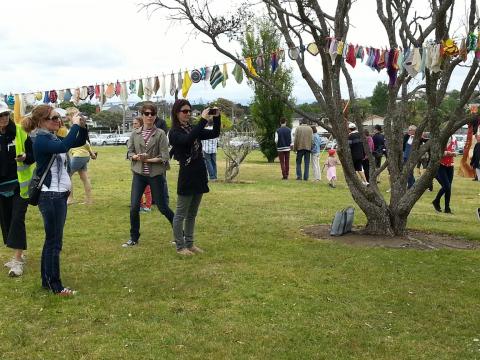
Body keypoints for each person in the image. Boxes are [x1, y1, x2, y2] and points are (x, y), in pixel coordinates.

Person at [22, 104, 88, 296]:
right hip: (50, 195)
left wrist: (82, 126)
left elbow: (77, 142)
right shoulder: (41, 139)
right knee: (54, 242)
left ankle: (46, 280)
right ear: (42, 121)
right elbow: (63, 146)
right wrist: (73, 125)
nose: (58, 121)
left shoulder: (50, 136)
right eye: (53, 118)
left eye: (58, 117)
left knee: (51, 240)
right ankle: (56, 286)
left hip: (58, 195)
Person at [168, 99, 220, 255]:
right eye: (184, 111)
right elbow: (187, 140)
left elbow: (214, 133)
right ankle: (180, 246)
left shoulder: (192, 128)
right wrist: (203, 120)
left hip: (199, 173)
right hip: (187, 175)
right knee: (181, 213)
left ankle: (190, 244)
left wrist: (216, 118)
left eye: (189, 111)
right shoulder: (174, 132)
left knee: (192, 214)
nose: (188, 114)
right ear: (176, 113)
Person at [124, 105, 174, 247]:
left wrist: (148, 159)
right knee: (134, 207)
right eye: (147, 113)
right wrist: (136, 157)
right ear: (142, 115)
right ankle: (134, 238)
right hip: (139, 174)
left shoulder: (160, 134)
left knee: (163, 207)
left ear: (155, 116)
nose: (150, 116)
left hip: (155, 175)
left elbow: (165, 157)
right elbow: (129, 153)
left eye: (153, 114)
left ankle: (179, 233)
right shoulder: (135, 134)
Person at [0, 101, 34, 277]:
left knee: (16, 220)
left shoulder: (20, 131)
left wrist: (26, 156)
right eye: (0, 115)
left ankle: (18, 260)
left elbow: (33, 154)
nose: (3, 118)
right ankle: (16, 254)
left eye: (5, 114)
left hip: (20, 186)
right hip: (1, 187)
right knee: (5, 221)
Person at [67, 110, 97, 205]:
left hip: (78, 156)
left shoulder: (75, 128)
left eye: (68, 115)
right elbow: (86, 142)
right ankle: (89, 200)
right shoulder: (80, 128)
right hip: (84, 156)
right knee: (84, 178)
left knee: (67, 176)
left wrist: (92, 154)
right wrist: (91, 154)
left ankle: (70, 199)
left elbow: (85, 142)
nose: (67, 117)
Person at [131, 116, 152, 212]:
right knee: (137, 189)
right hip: (136, 165)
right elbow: (130, 150)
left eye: (135, 123)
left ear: (140, 124)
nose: (134, 125)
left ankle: (147, 206)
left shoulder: (145, 135)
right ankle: (139, 205)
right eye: (133, 123)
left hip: (146, 165)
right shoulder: (134, 134)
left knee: (147, 188)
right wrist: (133, 156)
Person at [432, 135, 457, 214]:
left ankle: (447, 208)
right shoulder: (441, 138)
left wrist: (453, 153)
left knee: (448, 188)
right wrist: (447, 153)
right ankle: (436, 200)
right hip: (441, 165)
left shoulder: (454, 139)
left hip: (450, 166)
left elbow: (454, 150)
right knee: (446, 186)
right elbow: (437, 153)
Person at [403, 125, 417, 189]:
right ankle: (413, 183)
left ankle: (411, 185)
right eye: (409, 130)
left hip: (412, 157)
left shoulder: (417, 138)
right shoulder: (407, 136)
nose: (409, 131)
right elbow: (403, 145)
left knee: (410, 171)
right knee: (408, 171)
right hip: (405, 155)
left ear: (414, 131)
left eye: (410, 130)